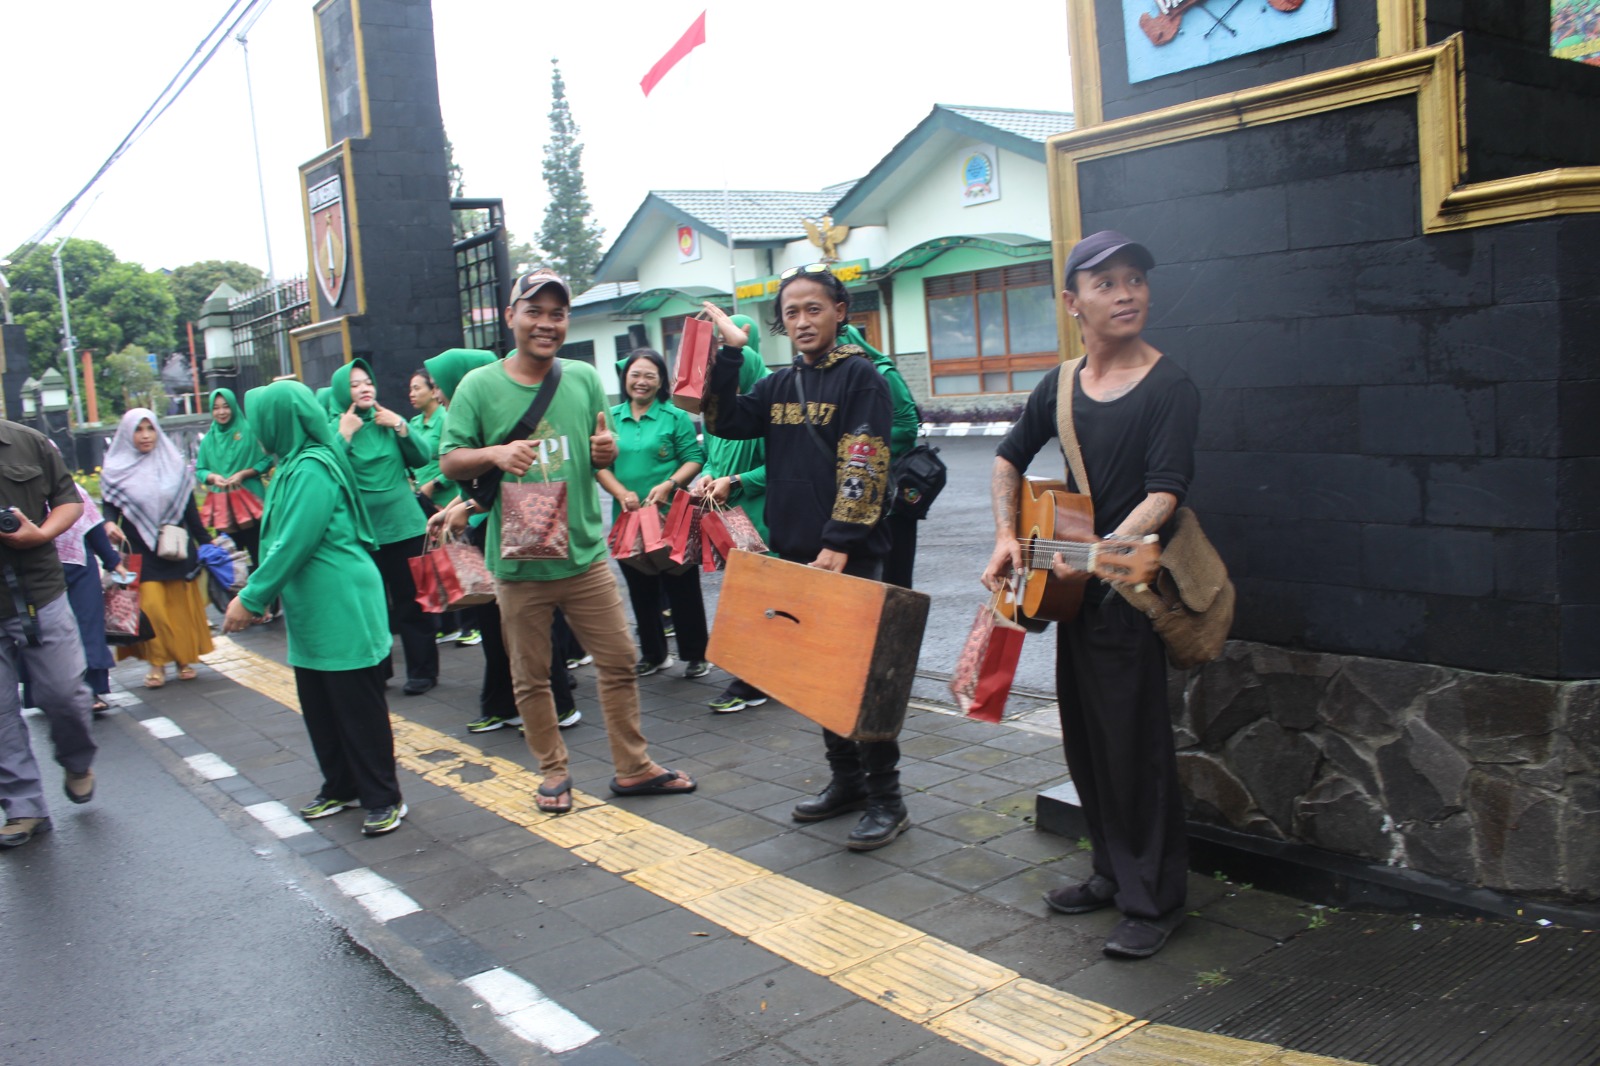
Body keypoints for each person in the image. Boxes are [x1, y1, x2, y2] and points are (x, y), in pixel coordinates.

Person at [981, 231, 1199, 960]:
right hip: (1072, 598)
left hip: (1132, 593)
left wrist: (1090, 556)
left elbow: (1164, 495)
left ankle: (1156, 900)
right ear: (1074, 303)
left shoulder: (1171, 387)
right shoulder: (1062, 384)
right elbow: (1009, 457)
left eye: (1135, 278)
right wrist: (1007, 537)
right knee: (1088, 742)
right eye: (1106, 283)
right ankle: (1111, 871)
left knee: (1136, 748)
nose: (1127, 293)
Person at [439, 268, 695, 814]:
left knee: (621, 659)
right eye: (535, 311)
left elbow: (592, 447)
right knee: (530, 677)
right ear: (511, 317)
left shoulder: (579, 378)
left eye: (558, 314)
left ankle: (633, 767)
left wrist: (603, 454)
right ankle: (552, 771)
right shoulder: (479, 387)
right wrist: (495, 455)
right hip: (518, 566)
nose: (547, 324)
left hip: (584, 557)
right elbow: (450, 458)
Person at [699, 265, 907, 851]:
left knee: (859, 681)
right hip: (793, 554)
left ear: (840, 310)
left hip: (847, 556)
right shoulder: (782, 383)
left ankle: (888, 799)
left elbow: (865, 465)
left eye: (814, 309)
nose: (802, 321)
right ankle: (847, 783)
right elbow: (723, 418)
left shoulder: (860, 378)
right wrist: (731, 355)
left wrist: (838, 543)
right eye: (791, 313)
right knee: (818, 676)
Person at [222, 381, 406, 836]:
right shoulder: (291, 465)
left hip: (339, 601)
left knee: (356, 706)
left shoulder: (311, 469)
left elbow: (295, 541)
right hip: (313, 607)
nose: (255, 427)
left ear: (278, 420)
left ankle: (384, 797)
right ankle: (340, 786)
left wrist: (252, 596)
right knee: (321, 702)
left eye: (260, 417)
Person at [423, 348, 582, 735]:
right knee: (496, 628)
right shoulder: (471, 412)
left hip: (518, 531)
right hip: (495, 530)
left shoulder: (502, 410)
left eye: (439, 385)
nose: (436, 393)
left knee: (523, 627)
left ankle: (558, 705)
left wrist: (469, 507)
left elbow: (514, 480)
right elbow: (481, 479)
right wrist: (459, 508)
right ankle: (502, 703)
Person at [0, 418, 98, 848]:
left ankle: (77, 762)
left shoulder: (28, 442)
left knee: (62, 694)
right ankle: (24, 807)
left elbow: (70, 502)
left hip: (39, 590)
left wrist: (40, 532)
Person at [595, 348, 709, 679]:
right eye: (635, 375)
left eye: (649, 375)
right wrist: (620, 493)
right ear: (625, 378)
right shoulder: (610, 417)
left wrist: (669, 484)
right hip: (628, 517)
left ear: (661, 381)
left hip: (672, 516)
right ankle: (654, 654)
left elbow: (694, 458)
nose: (641, 382)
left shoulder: (674, 416)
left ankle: (696, 654)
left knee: (683, 586)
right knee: (640, 586)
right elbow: (600, 466)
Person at [329, 358, 439, 695]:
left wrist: (402, 427)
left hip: (406, 527)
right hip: (364, 532)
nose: (364, 388)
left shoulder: (388, 420)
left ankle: (423, 672)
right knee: (371, 604)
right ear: (340, 392)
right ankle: (378, 669)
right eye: (354, 384)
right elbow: (328, 471)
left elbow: (423, 458)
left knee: (413, 602)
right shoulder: (334, 427)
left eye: (367, 382)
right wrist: (344, 434)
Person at [691, 314, 771, 714]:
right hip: (728, 520)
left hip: (762, 520)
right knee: (743, 597)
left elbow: (785, 465)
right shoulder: (719, 409)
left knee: (758, 600)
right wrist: (709, 476)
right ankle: (756, 674)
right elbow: (710, 455)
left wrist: (736, 480)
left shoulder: (768, 404)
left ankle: (753, 680)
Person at [101, 409, 215, 688]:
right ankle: (157, 662)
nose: (145, 436)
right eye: (138, 430)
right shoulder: (115, 470)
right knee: (151, 608)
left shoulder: (174, 464)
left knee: (178, 608)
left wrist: (208, 545)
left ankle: (182, 659)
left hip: (175, 548)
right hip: (139, 553)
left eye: (150, 428)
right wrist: (106, 525)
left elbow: (189, 512)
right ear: (127, 435)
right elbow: (109, 510)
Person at [26, 477, 128, 714]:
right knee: (42, 633)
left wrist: (115, 564)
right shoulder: (21, 493)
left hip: (80, 572)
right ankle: (47, 694)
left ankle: (90, 691)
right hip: (35, 574)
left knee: (86, 629)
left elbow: (94, 530)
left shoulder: (74, 492)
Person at [840, 324, 921, 590]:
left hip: (892, 485)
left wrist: (864, 440)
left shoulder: (884, 373)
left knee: (895, 571)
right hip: (859, 487)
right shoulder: (841, 377)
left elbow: (908, 427)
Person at [407, 366, 477, 647]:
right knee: (442, 560)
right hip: (436, 503)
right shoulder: (414, 423)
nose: (414, 393)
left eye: (420, 387)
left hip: (450, 497)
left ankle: (471, 624)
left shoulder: (447, 418)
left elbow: (454, 460)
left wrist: (436, 487)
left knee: (465, 560)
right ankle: (449, 620)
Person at [195, 387, 273, 580]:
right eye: (216, 408)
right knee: (230, 557)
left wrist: (244, 474)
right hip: (224, 507)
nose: (221, 412)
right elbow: (200, 469)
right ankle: (238, 600)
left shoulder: (249, 431)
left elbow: (266, 460)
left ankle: (267, 604)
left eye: (226, 407)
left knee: (258, 553)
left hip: (251, 502)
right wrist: (213, 477)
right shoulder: (209, 440)